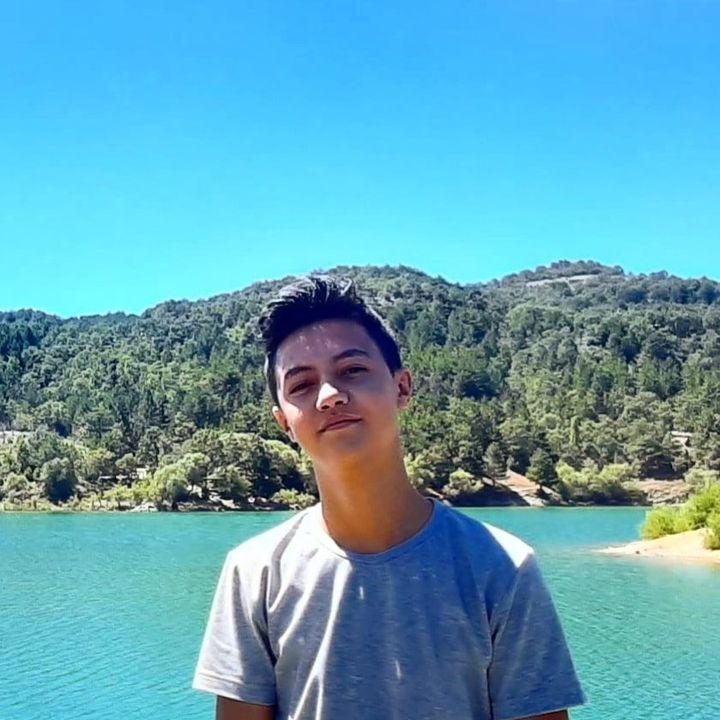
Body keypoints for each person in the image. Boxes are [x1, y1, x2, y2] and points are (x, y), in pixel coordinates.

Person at [192, 276, 586, 720]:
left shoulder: (502, 569)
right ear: (284, 423)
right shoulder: (255, 573)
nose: (330, 396)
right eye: (302, 385)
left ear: (402, 388)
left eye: (352, 371)